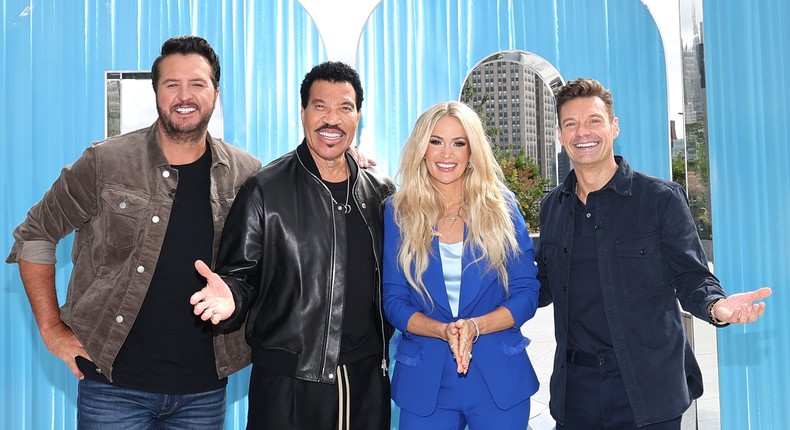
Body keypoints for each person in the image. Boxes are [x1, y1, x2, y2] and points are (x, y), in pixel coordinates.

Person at [6, 35, 262, 428]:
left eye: (197, 83)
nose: (184, 95)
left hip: (203, 390)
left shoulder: (247, 175)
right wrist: (52, 329)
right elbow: (35, 234)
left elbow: (287, 221)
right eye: (171, 84)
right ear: (156, 92)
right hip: (112, 386)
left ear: (215, 92)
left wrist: (343, 163)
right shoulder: (105, 162)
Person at [536, 78, 772, 429]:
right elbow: (539, 286)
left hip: (647, 390)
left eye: (594, 120)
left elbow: (691, 276)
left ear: (614, 126)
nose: (582, 132)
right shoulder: (552, 207)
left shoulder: (660, 199)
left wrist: (716, 306)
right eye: (571, 123)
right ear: (559, 133)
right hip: (575, 394)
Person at [189, 61, 394, 430]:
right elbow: (240, 276)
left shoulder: (379, 191)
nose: (332, 119)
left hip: (368, 378)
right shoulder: (264, 190)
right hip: (289, 385)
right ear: (302, 113)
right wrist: (231, 299)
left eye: (344, 108)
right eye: (320, 106)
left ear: (358, 116)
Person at [381, 101, 541, 429]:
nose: (446, 153)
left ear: (472, 151)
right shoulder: (399, 212)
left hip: (499, 381)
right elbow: (394, 300)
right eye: (436, 141)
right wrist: (442, 331)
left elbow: (527, 292)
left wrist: (476, 326)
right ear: (421, 148)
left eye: (458, 143)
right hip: (425, 383)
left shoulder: (502, 207)